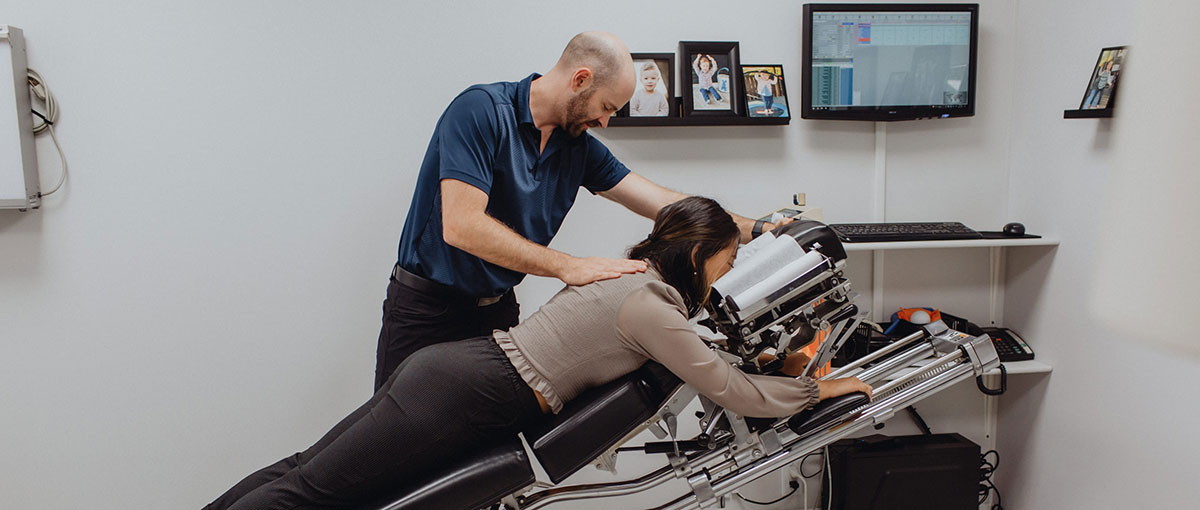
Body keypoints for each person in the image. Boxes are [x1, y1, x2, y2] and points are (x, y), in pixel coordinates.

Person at [205, 197, 872, 509]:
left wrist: (773, 361)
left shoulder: (631, 278)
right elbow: (732, 392)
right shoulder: (653, 309)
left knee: (301, 474)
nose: (726, 275)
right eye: (727, 262)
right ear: (697, 257)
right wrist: (820, 388)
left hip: (455, 374)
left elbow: (711, 359)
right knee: (314, 495)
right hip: (464, 394)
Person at [375, 32, 787, 390]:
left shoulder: (578, 148)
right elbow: (463, 227)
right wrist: (566, 266)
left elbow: (662, 202)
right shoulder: (481, 111)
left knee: (482, 460)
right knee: (390, 450)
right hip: (427, 311)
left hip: (496, 314)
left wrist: (761, 228)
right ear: (580, 79)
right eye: (606, 106)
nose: (605, 122)